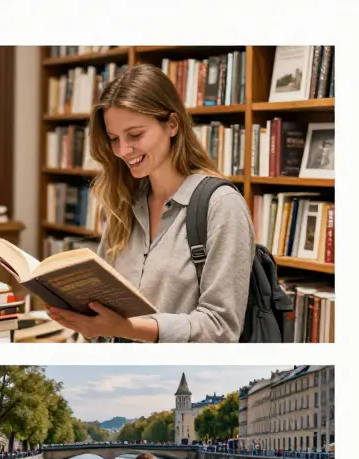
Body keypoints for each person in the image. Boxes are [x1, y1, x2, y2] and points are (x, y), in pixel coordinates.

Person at [46, 65, 253, 343]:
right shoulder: (124, 201)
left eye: (135, 135)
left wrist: (126, 329)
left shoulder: (222, 206)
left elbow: (221, 328)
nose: (122, 150)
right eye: (114, 139)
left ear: (172, 124)